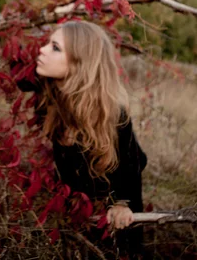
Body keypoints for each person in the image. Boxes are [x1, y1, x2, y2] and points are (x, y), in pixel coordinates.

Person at [13, 20, 148, 259]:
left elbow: (131, 167)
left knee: (121, 248)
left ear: (79, 63)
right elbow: (17, 73)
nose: (42, 50)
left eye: (55, 47)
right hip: (77, 205)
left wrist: (121, 204)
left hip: (116, 191)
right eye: (47, 44)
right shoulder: (53, 89)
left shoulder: (114, 115)